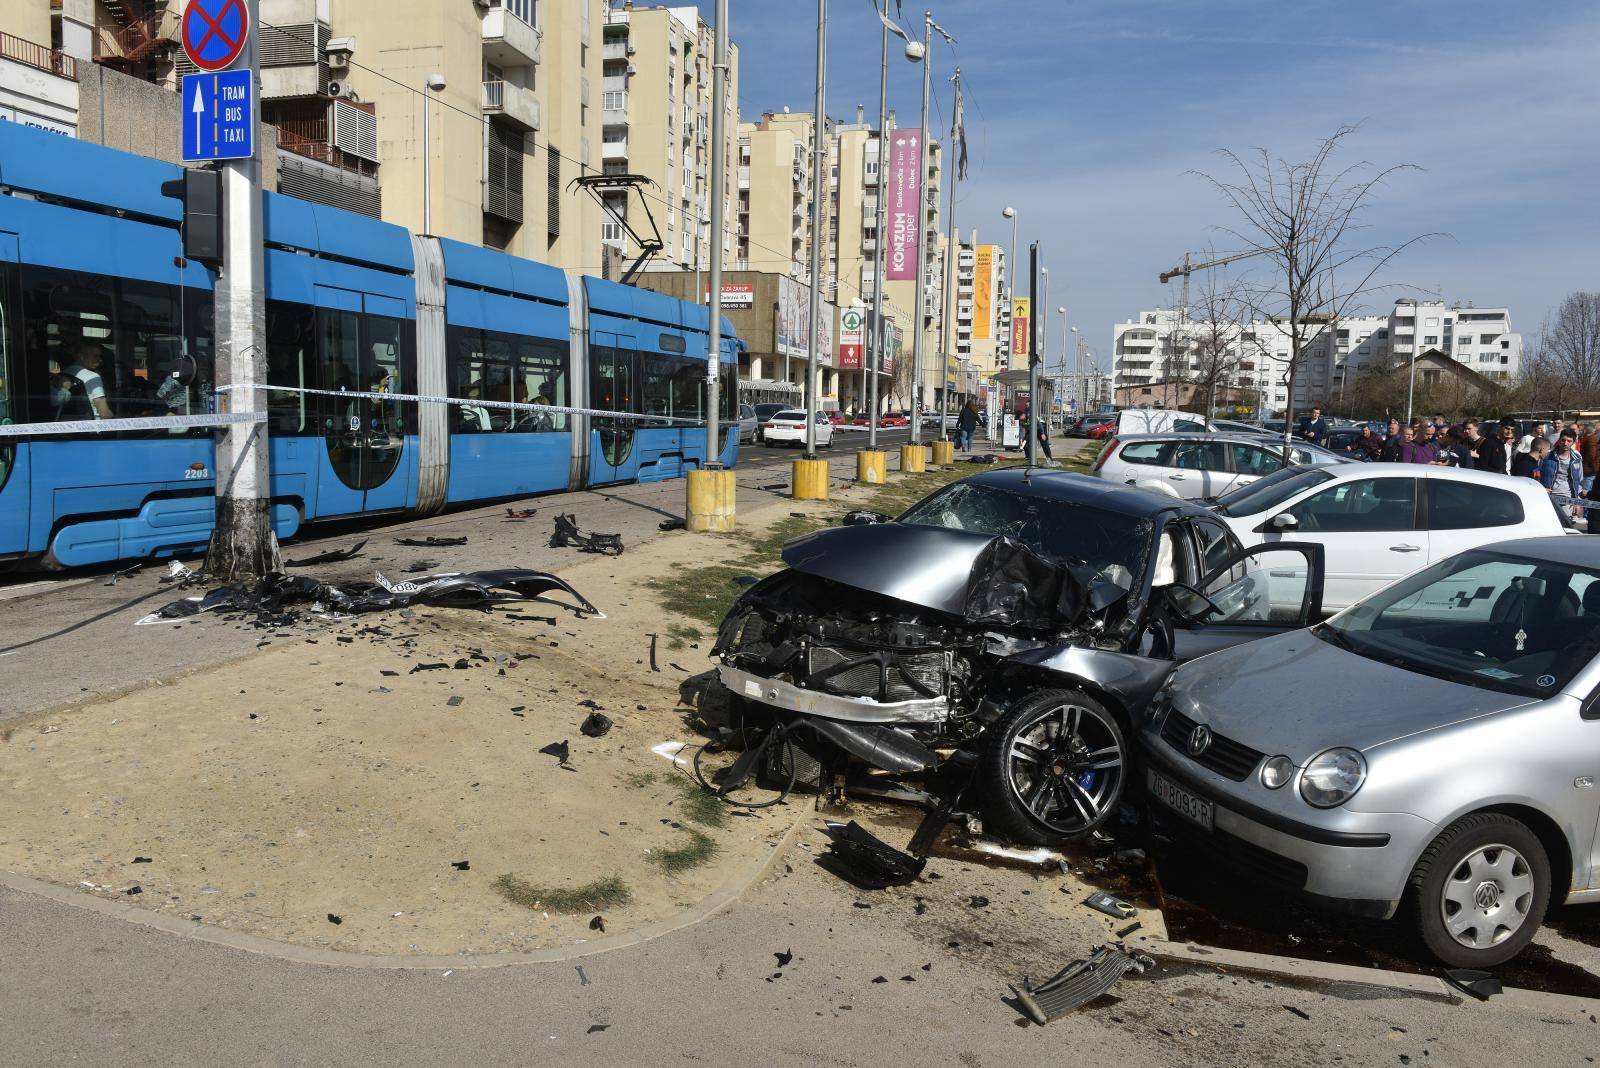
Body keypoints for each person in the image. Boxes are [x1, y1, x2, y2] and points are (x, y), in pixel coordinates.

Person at [61, 340, 114, 420]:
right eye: (95, 356)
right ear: (81, 356)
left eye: (100, 356)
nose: (100, 359)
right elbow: (104, 413)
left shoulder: (63, 373)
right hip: (91, 427)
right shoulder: (92, 377)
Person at [1544, 432, 1585, 512]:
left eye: (1569, 441)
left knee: (1565, 524)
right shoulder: (1548, 455)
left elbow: (1579, 479)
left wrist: (1577, 501)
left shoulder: (1576, 457)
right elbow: (1538, 473)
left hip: (1568, 497)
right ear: (1559, 440)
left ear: (1573, 442)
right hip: (1549, 496)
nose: (1565, 443)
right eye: (1563, 440)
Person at [1578, 423, 1600, 495]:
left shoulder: (1588, 439)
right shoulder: (1592, 439)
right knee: (1586, 491)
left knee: (1585, 490)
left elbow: (1591, 455)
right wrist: (1595, 468)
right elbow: (1591, 455)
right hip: (1589, 470)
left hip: (1588, 469)